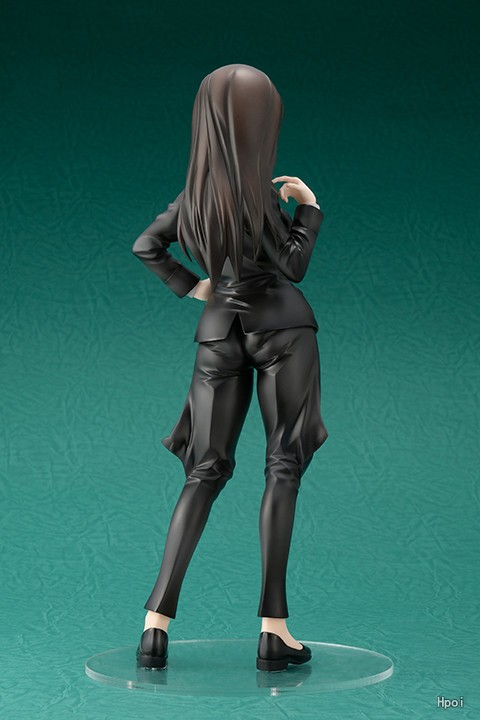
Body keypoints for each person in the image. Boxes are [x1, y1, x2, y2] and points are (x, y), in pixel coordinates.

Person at [131, 64, 328, 672]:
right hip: (282, 330)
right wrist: (309, 211)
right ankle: (274, 629)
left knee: (204, 471)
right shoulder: (262, 197)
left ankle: (155, 626)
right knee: (283, 467)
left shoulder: (193, 198)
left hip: (218, 336)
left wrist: (194, 287)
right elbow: (293, 267)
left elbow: (146, 245)